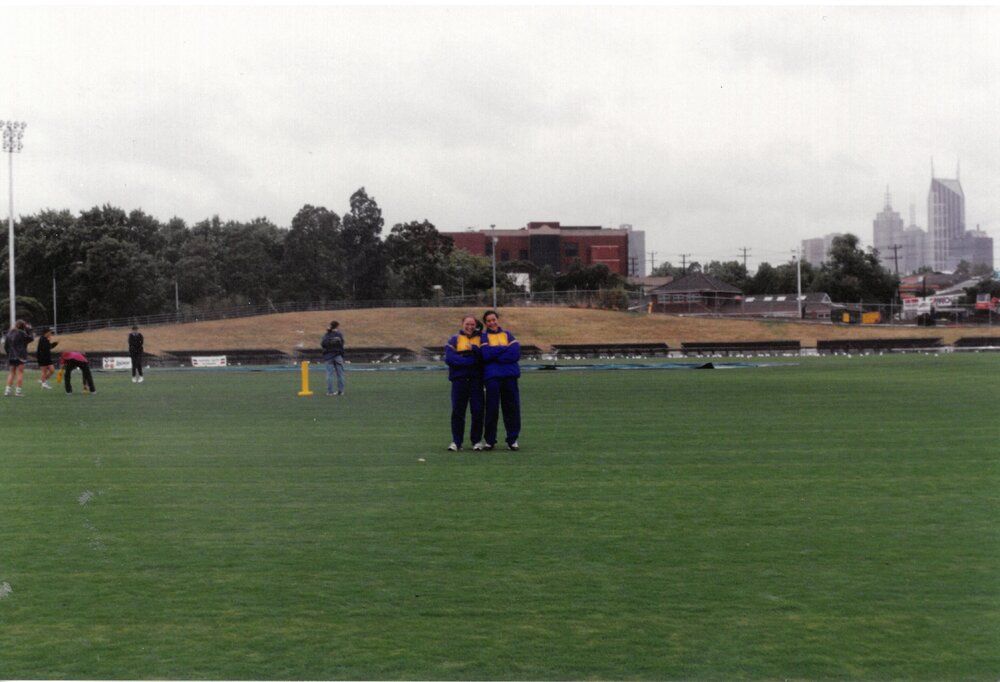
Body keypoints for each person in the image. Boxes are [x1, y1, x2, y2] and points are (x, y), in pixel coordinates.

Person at [479, 310, 521, 451]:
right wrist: (504, 349)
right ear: (485, 323)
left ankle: (512, 439)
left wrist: (495, 354)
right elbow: (485, 355)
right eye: (489, 321)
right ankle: (490, 440)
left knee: (512, 408)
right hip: (492, 377)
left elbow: (515, 354)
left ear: (498, 320)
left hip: (509, 376)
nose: (492, 323)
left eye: (494, 319)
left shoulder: (507, 334)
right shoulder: (484, 337)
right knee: (492, 409)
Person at [444, 315, 485, 451]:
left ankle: (476, 441)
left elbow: (482, 358)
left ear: (476, 325)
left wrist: (467, 358)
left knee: (477, 411)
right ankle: (457, 442)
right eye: (467, 324)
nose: (470, 327)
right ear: (462, 324)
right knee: (458, 411)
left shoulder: (480, 339)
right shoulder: (454, 339)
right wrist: (469, 361)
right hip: (459, 380)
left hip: (476, 381)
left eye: (472, 324)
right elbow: (450, 358)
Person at [4, 319, 33, 397]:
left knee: (11, 373)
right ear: (23, 326)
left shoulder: (9, 333)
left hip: (11, 356)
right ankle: (18, 392)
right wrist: (29, 329)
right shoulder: (22, 333)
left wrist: (9, 354)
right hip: (20, 356)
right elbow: (31, 338)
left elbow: (6, 346)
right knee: (20, 373)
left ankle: (7, 391)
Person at [321, 320, 345, 396]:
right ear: (337, 326)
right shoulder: (339, 334)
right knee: (340, 374)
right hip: (338, 356)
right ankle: (340, 391)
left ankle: (330, 391)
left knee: (329, 375)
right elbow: (342, 343)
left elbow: (323, 344)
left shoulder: (327, 335)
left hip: (328, 356)